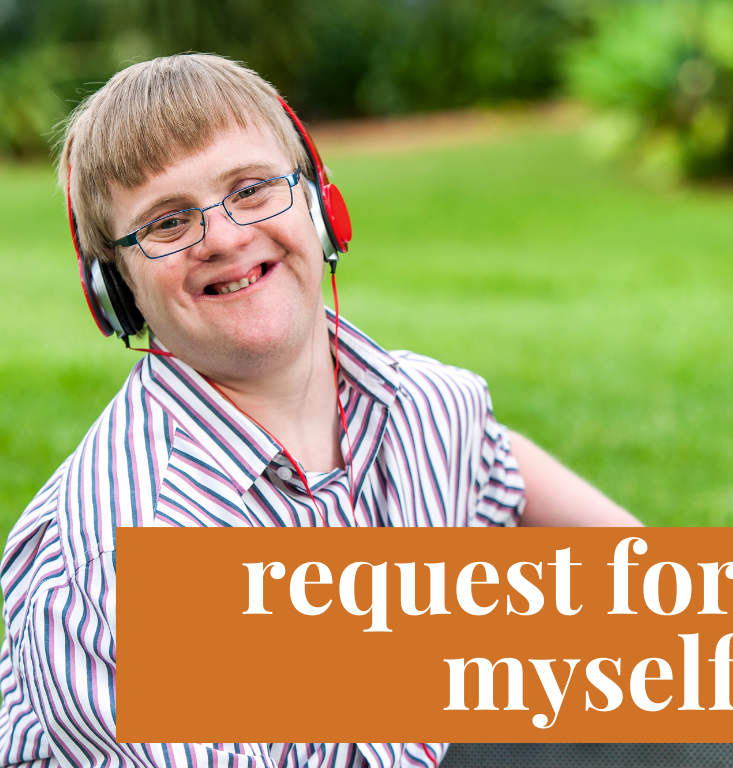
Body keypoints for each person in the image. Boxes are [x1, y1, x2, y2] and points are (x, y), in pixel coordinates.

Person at [0, 54, 641, 768]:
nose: (223, 236)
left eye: (251, 189)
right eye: (168, 222)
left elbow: (508, 470)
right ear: (114, 292)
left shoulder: (423, 410)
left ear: (321, 206)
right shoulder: (121, 562)